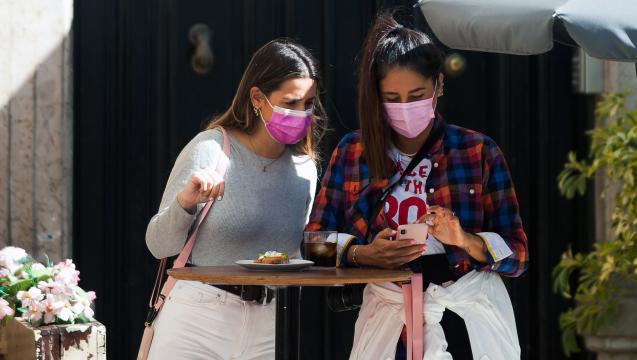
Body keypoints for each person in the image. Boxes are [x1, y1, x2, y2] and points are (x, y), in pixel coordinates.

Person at [306, 13, 528, 359]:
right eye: (392, 98)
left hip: (465, 319)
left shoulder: (478, 151)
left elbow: (518, 254)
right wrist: (363, 254)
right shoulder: (354, 152)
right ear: (376, 96)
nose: (405, 107)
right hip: (389, 319)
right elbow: (312, 244)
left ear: (439, 85)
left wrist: (464, 240)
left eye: (417, 95)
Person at [145, 38, 326, 359]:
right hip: (198, 316)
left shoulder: (305, 169)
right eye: (290, 102)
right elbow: (159, 245)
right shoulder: (212, 149)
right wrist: (185, 202)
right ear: (257, 97)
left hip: (270, 321)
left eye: (308, 104)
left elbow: (300, 253)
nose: (302, 114)